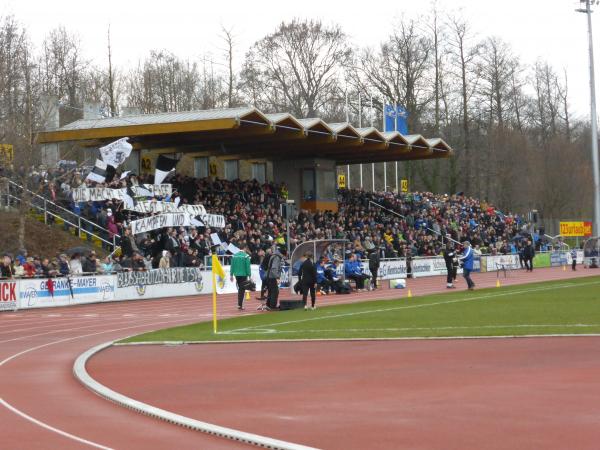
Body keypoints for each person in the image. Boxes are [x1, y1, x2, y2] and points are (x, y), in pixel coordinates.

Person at [230, 245, 252, 310]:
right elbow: (247, 266)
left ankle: (240, 305)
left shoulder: (234, 256)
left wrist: (231, 275)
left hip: (237, 275)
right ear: (244, 248)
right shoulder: (246, 256)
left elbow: (232, 266)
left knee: (240, 289)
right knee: (242, 290)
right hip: (243, 274)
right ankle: (240, 305)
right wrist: (249, 275)